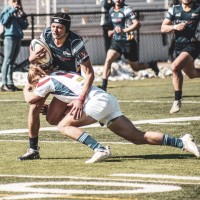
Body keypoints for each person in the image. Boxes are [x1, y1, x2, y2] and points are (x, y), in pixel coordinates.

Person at [22, 64, 200, 163]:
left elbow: (31, 99)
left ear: (36, 78)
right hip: (106, 99)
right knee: (137, 137)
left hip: (97, 101)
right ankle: (181, 142)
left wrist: (27, 88)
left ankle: (99, 149)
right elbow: (74, 100)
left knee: (63, 126)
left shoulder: (44, 80)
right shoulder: (61, 74)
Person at [18, 12, 95, 160]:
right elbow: (35, 49)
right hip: (49, 75)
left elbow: (89, 73)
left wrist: (80, 98)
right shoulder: (46, 34)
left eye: (59, 27)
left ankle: (81, 110)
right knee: (34, 105)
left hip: (67, 80)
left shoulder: (75, 42)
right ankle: (33, 150)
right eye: (53, 26)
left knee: (52, 119)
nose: (54, 30)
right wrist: (31, 58)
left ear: (67, 29)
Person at [99, 0, 159, 91]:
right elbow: (116, 26)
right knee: (108, 59)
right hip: (116, 42)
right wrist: (112, 31)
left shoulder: (127, 9)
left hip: (129, 42)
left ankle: (151, 65)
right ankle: (103, 86)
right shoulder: (111, 10)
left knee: (135, 68)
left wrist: (124, 31)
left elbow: (137, 24)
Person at [161, 0, 200, 113]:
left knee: (175, 67)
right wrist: (175, 26)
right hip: (179, 47)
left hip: (193, 45)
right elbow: (163, 28)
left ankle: (177, 100)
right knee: (192, 74)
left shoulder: (198, 8)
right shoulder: (174, 9)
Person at [0, 0, 29, 92]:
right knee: (7, 60)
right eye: (14, 1)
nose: (16, 3)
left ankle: (10, 83)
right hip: (9, 37)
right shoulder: (7, 9)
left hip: (18, 37)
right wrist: (12, 10)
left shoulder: (18, 11)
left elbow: (24, 26)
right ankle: (4, 83)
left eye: (18, 1)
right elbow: (4, 21)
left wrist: (23, 17)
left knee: (12, 61)